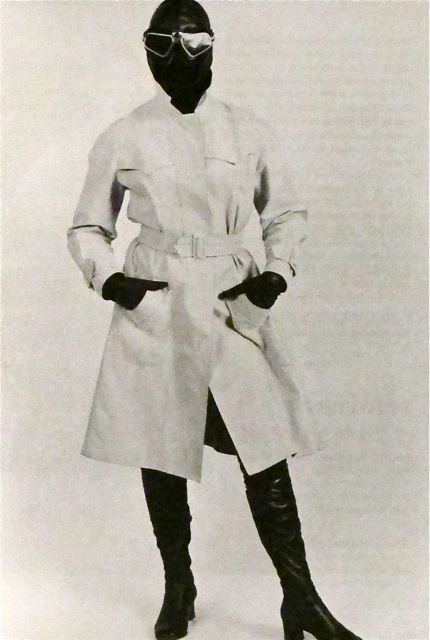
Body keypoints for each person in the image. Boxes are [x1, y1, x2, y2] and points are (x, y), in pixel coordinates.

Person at [67, 1, 364, 639]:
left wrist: (276, 273)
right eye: (164, 43)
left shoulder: (248, 129)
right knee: (161, 449)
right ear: (148, 52)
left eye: (194, 41)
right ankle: (179, 586)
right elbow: (89, 225)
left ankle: (300, 598)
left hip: (231, 303)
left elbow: (287, 212)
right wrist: (109, 277)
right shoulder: (123, 135)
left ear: (212, 48)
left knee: (263, 449)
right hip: (158, 304)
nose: (180, 57)